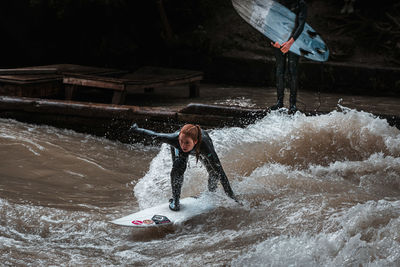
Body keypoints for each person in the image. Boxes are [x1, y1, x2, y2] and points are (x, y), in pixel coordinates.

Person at [129, 123, 237, 211]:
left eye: (186, 143)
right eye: (181, 141)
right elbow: (154, 134)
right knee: (178, 168)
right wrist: (136, 129)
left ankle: (211, 193)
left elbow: (221, 173)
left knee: (214, 171)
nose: (183, 145)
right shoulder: (176, 140)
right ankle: (175, 201)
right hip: (179, 150)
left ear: (195, 142)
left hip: (200, 149)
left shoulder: (205, 146)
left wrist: (233, 199)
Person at [269, 0, 307, 114]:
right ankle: (279, 103)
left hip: (295, 41)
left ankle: (293, 105)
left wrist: (290, 43)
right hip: (278, 39)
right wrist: (273, 39)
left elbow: (301, 25)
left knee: (293, 71)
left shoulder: (300, 4)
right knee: (280, 70)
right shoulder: (276, 2)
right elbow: (270, 22)